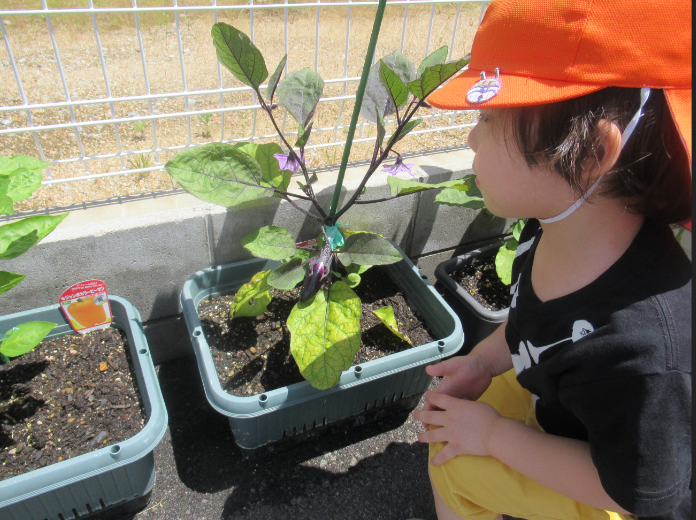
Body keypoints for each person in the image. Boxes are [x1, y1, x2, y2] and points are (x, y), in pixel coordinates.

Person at [412, 1, 692, 519]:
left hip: (609, 490)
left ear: (587, 156)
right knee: (451, 422)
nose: (472, 136)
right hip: (561, 413)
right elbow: (532, 324)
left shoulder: (642, 349)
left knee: (455, 465)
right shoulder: (556, 227)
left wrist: (496, 437)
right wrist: (482, 362)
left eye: (490, 117)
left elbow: (639, 491)